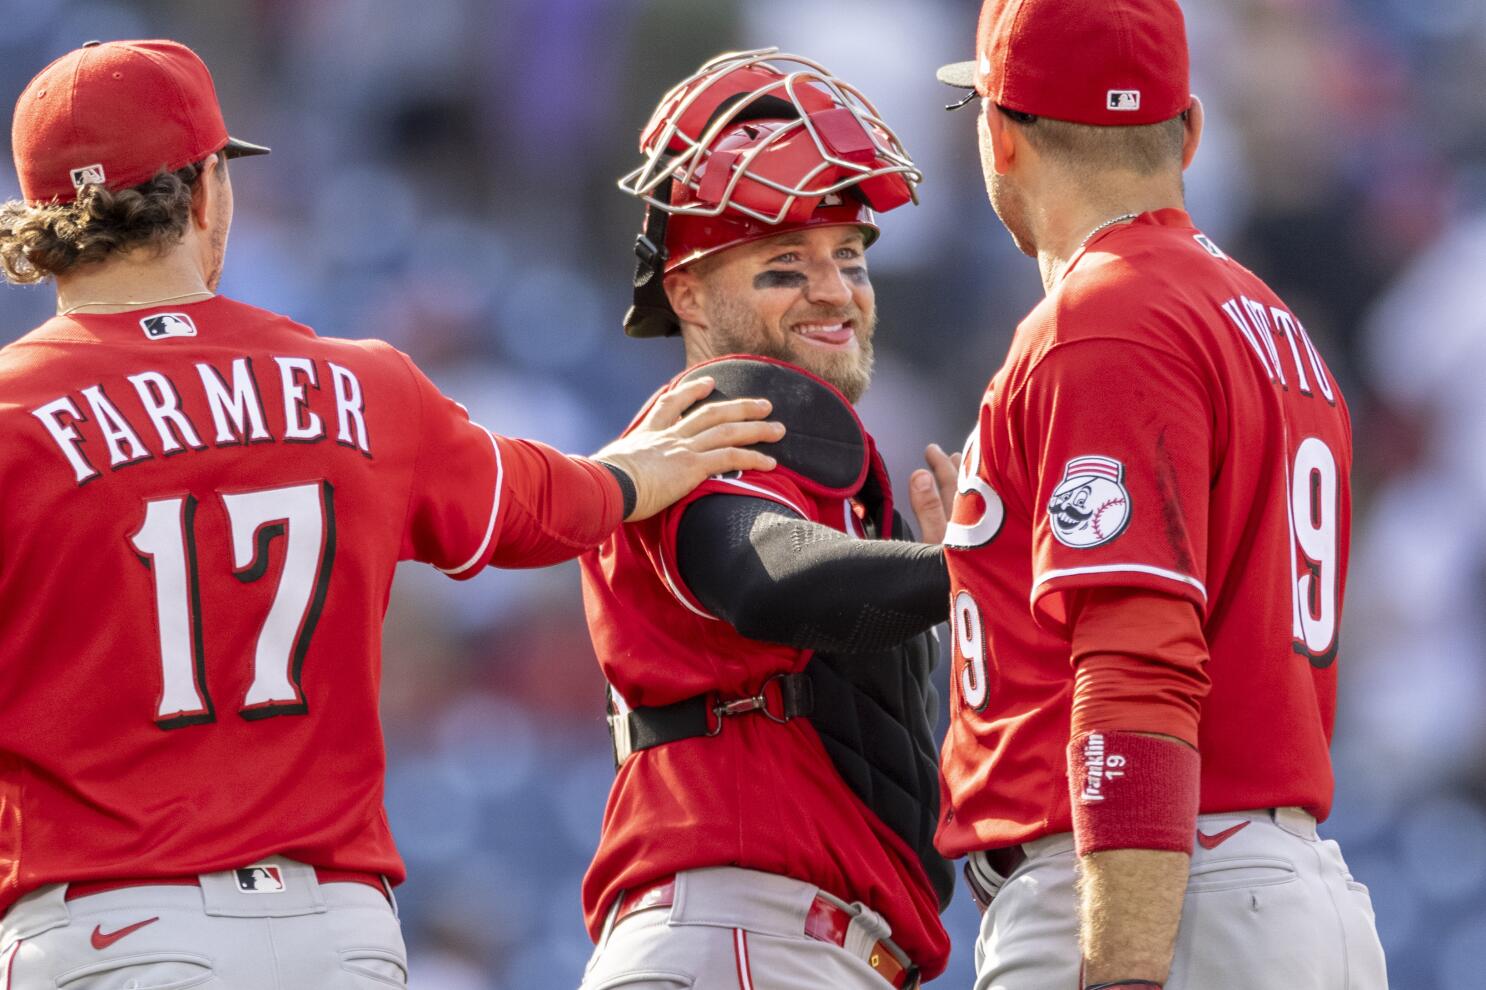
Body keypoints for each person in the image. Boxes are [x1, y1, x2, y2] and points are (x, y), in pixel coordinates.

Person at [0, 39, 783, 989]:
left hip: (110, 927)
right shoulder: (359, 384)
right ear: (206, 192)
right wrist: (629, 477)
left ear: (44, 218)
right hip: (337, 935)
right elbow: (536, 509)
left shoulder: (12, 414)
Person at [931, 1, 1389, 988]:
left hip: (1160, 897)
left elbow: (1136, 665)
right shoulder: (1268, 321)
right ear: (1186, 131)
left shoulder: (1106, 316)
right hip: (1268, 888)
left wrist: (1122, 970)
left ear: (1000, 136)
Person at [575, 50, 962, 990]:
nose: (836, 291)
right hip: (744, 932)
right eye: (785, 265)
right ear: (688, 293)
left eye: (850, 257)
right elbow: (766, 574)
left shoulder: (820, 467)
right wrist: (967, 567)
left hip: (781, 941)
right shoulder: (703, 426)